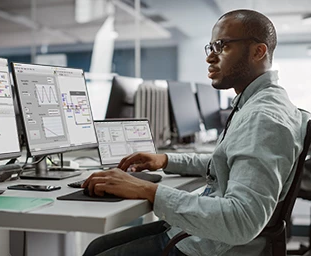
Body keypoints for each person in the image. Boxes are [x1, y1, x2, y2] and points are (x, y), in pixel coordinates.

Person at [82, 9, 310, 256]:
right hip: (211, 235)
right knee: (97, 246)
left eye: (222, 46)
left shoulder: (262, 117)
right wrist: (165, 160)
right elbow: (227, 162)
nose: (210, 57)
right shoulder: (261, 104)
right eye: (210, 47)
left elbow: (241, 221)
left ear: (258, 51)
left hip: (217, 245)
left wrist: (146, 190)